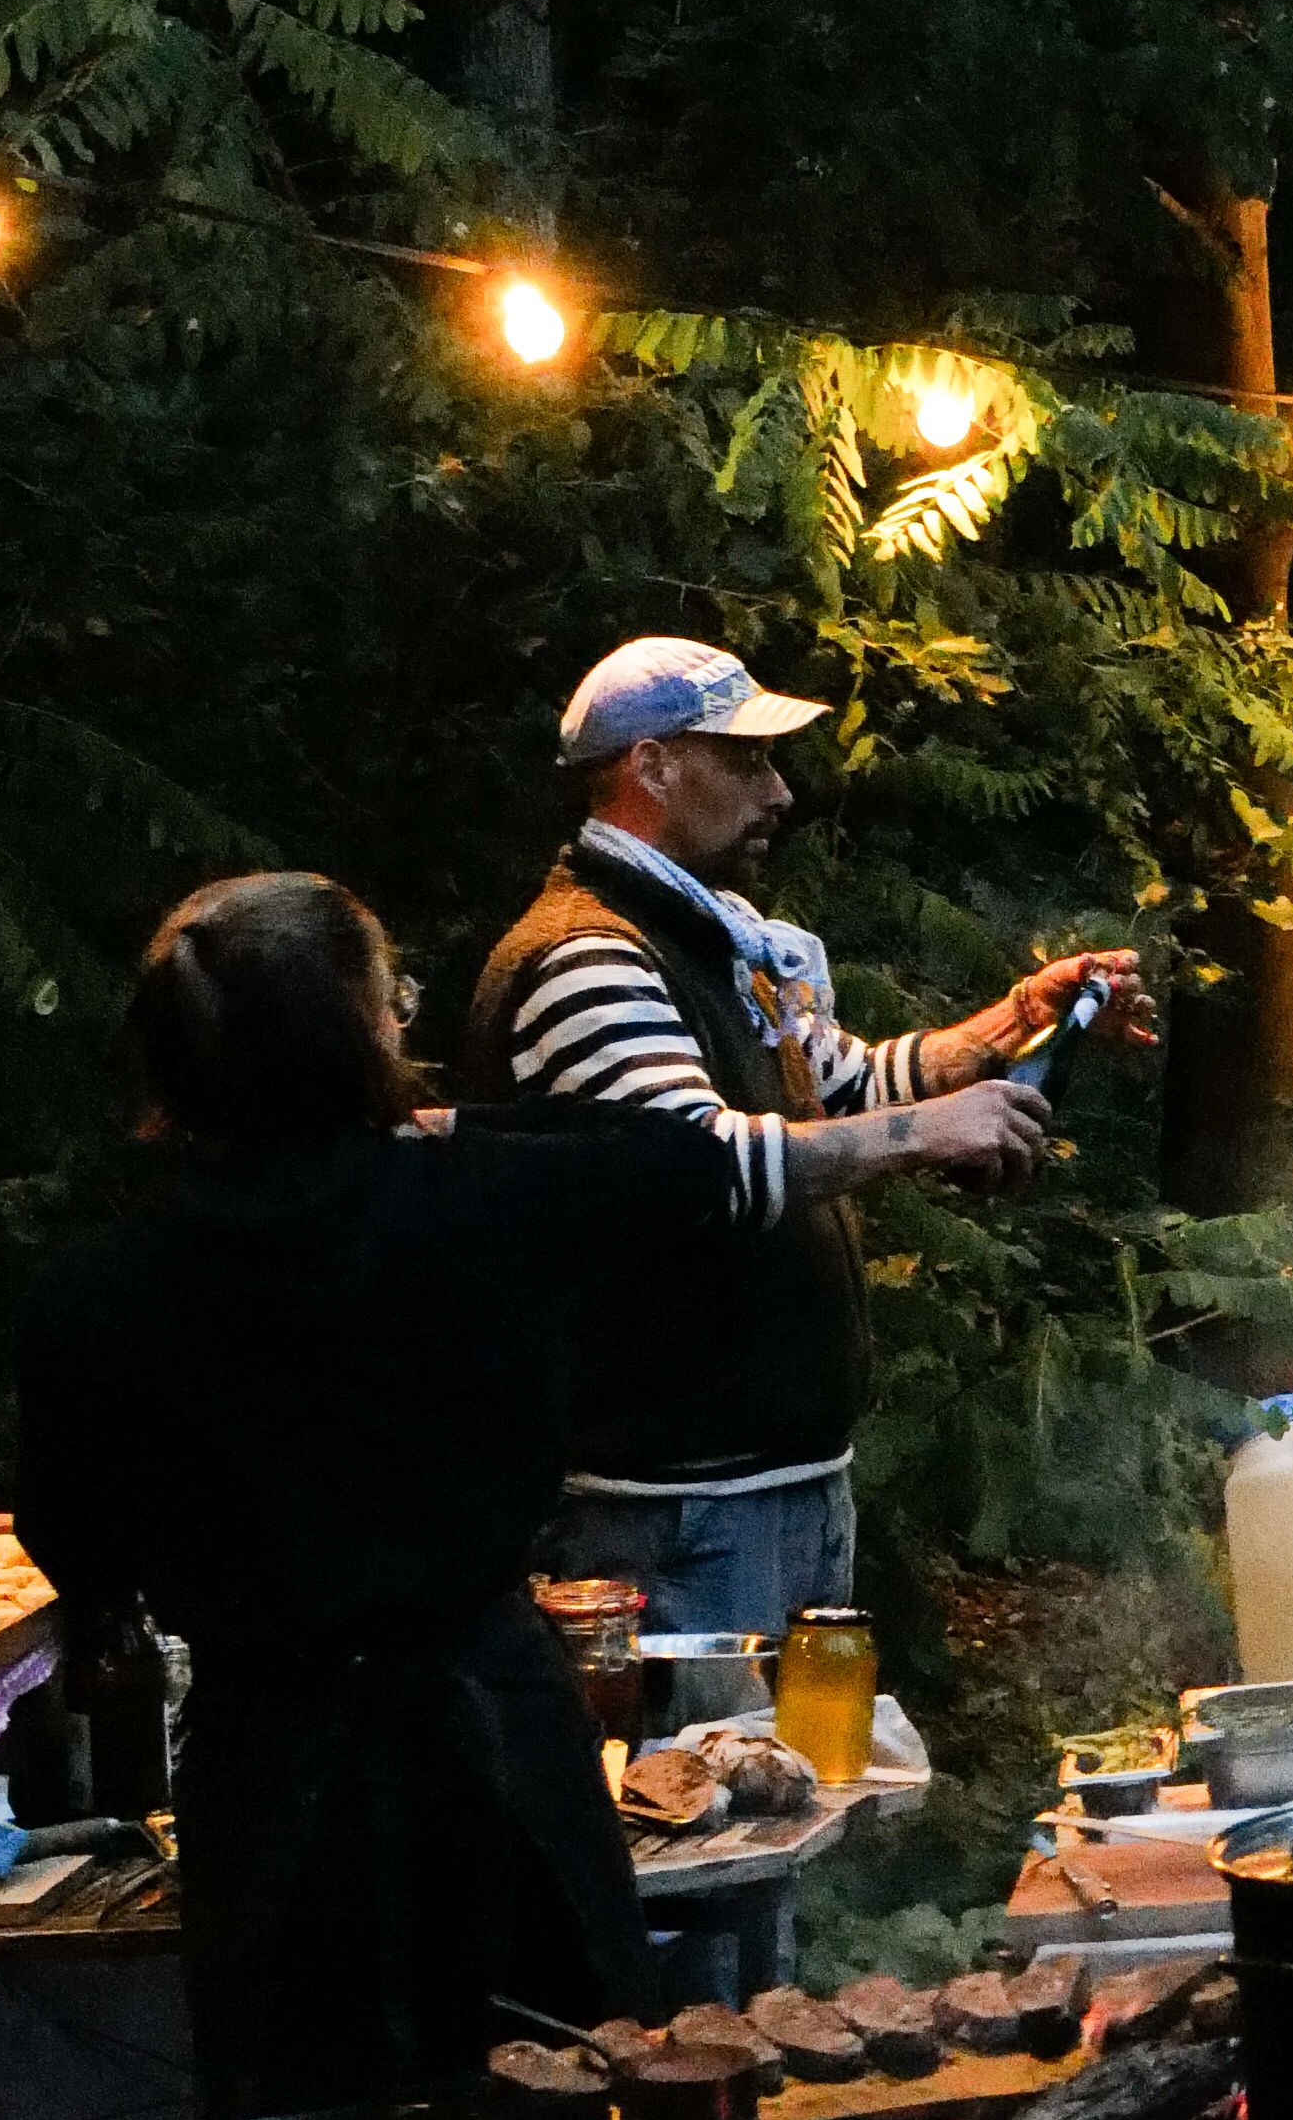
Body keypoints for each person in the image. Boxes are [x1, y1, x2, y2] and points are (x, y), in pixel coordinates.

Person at [16, 877, 753, 2111]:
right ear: (360, 1035)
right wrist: (442, 1126)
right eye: (388, 1000)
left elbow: (73, 1541)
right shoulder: (473, 1202)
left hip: (270, 1768)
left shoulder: (98, 1292)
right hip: (494, 1736)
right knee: (571, 2112)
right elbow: (678, 1158)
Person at [471, 637, 1126, 1648]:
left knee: (798, 1748)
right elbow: (697, 1169)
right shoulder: (587, 955)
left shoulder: (712, 939)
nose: (779, 793)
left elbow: (849, 1086)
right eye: (748, 760)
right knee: (701, 1755)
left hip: (777, 1490)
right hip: (669, 1512)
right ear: (653, 765)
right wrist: (925, 1133)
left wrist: (1014, 1020)